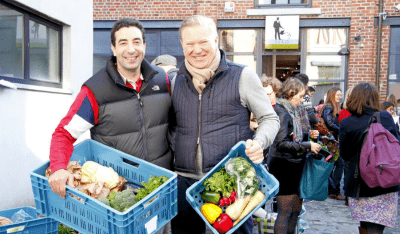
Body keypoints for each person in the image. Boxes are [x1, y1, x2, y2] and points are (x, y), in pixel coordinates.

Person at [170, 15, 280, 234]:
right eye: (190, 43)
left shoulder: (243, 75)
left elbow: (270, 118)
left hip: (231, 183)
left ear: (216, 40)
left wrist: (259, 143)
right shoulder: (175, 81)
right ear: (182, 45)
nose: (197, 49)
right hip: (185, 183)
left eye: (203, 42)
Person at [48, 18, 173, 201]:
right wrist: (58, 167)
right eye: (123, 43)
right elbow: (63, 134)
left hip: (160, 189)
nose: (131, 49)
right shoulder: (95, 91)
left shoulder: (162, 80)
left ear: (144, 46)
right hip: (118, 197)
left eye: (136, 42)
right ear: (113, 48)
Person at [339, 82, 399, 234]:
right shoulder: (385, 117)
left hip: (359, 182)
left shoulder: (347, 122)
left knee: (365, 225)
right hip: (386, 179)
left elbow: (344, 154)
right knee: (376, 228)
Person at [267, 78, 321, 234]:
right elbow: (281, 143)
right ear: (291, 94)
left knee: (295, 211)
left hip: (294, 164)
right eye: (300, 96)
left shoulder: (292, 110)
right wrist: (308, 146)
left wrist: (308, 135)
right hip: (284, 166)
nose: (302, 100)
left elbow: (293, 136)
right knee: (285, 212)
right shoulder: (282, 111)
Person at [320, 87, 345, 201]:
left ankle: (331, 189)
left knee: (332, 164)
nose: (340, 97)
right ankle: (334, 190)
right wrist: (340, 130)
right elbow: (329, 123)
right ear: (332, 95)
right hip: (329, 140)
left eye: (340, 95)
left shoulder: (332, 106)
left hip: (330, 139)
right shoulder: (329, 106)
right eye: (337, 95)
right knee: (339, 163)